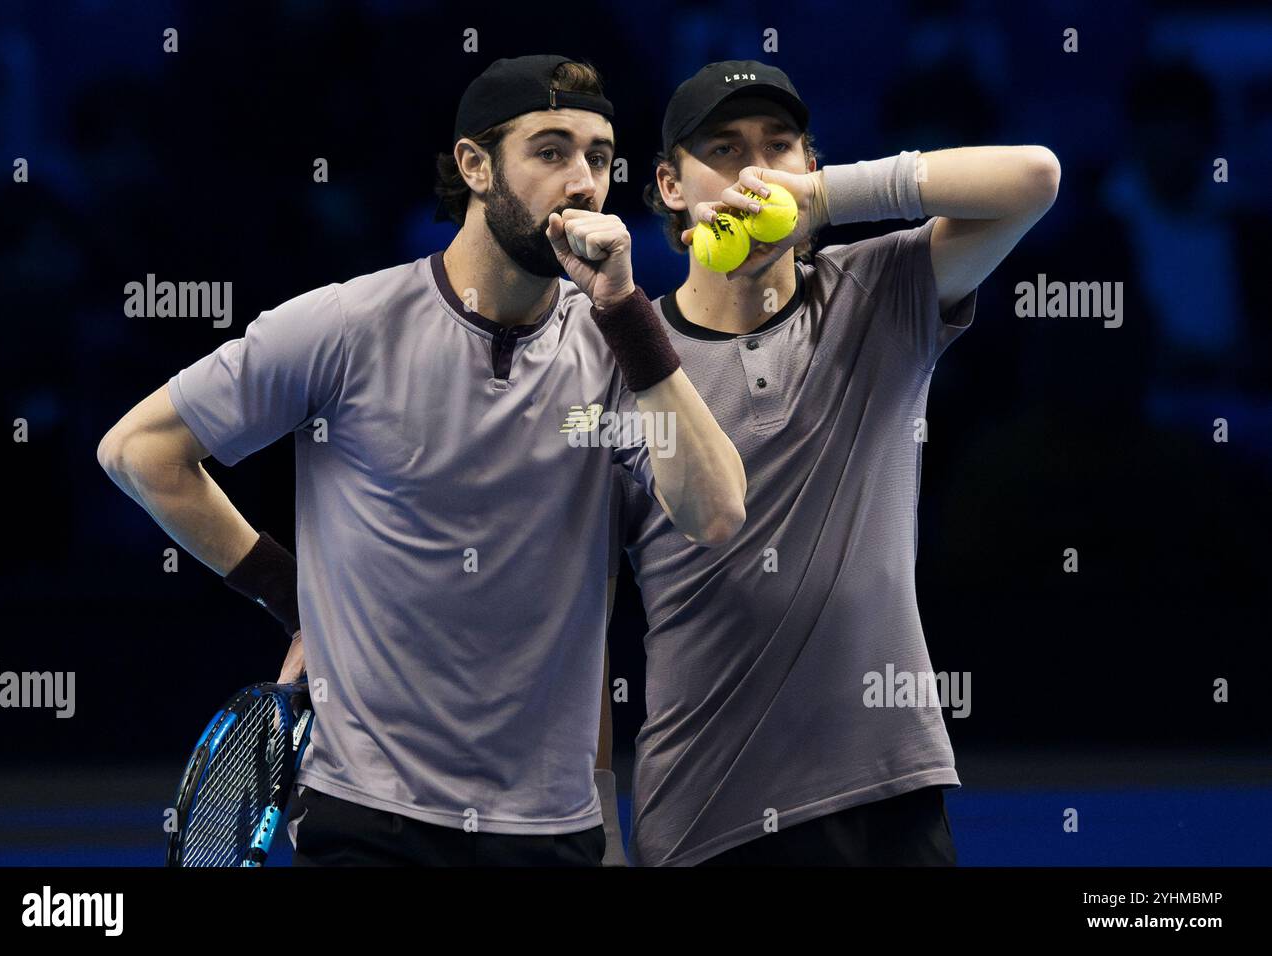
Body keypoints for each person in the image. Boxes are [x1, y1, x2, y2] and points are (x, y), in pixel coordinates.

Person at [98, 54, 745, 866]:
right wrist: (289, 596)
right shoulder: (345, 325)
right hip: (368, 814)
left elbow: (716, 512)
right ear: (475, 166)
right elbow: (139, 450)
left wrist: (622, 308)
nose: (582, 182)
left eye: (600, 158)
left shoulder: (618, 346)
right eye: (550, 152)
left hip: (552, 828)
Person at [603, 59, 1059, 866]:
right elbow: (579, 623)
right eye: (726, 149)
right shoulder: (621, 364)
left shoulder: (879, 291)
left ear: (812, 167)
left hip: (892, 797)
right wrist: (600, 834)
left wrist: (824, 199)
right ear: (671, 186)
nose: (755, 171)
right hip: (709, 822)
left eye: (780, 147)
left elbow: (1034, 176)